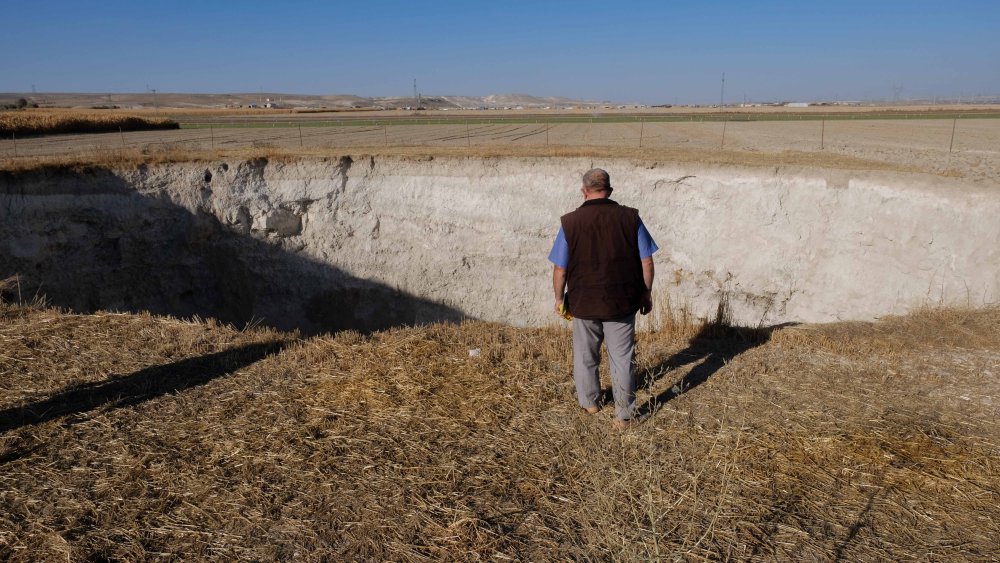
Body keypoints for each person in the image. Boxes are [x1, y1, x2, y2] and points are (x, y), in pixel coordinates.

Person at [548, 168, 658, 428]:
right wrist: (646, 293)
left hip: (583, 302)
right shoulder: (630, 218)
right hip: (622, 302)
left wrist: (558, 298)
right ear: (610, 190)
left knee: (586, 355)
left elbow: (560, 269)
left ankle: (590, 403)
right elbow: (647, 261)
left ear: (584, 191)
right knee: (622, 358)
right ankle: (625, 415)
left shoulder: (570, 222)